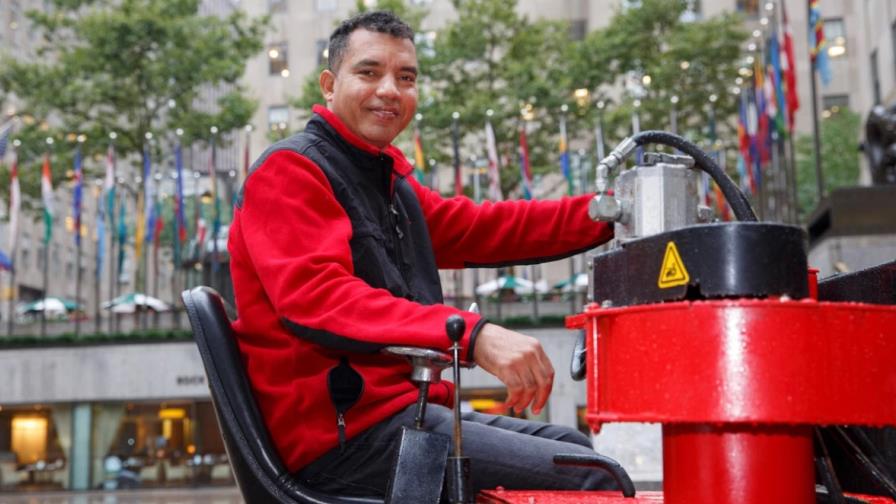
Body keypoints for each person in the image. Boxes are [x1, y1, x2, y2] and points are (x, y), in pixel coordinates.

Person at [228, 10, 616, 498]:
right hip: (342, 439)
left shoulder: (387, 181)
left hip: (397, 416)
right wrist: (473, 334)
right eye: (369, 72)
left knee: (578, 449)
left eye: (406, 77)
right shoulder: (291, 171)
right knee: (593, 476)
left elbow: (486, 227)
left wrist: (612, 210)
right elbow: (321, 298)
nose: (390, 90)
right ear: (329, 84)